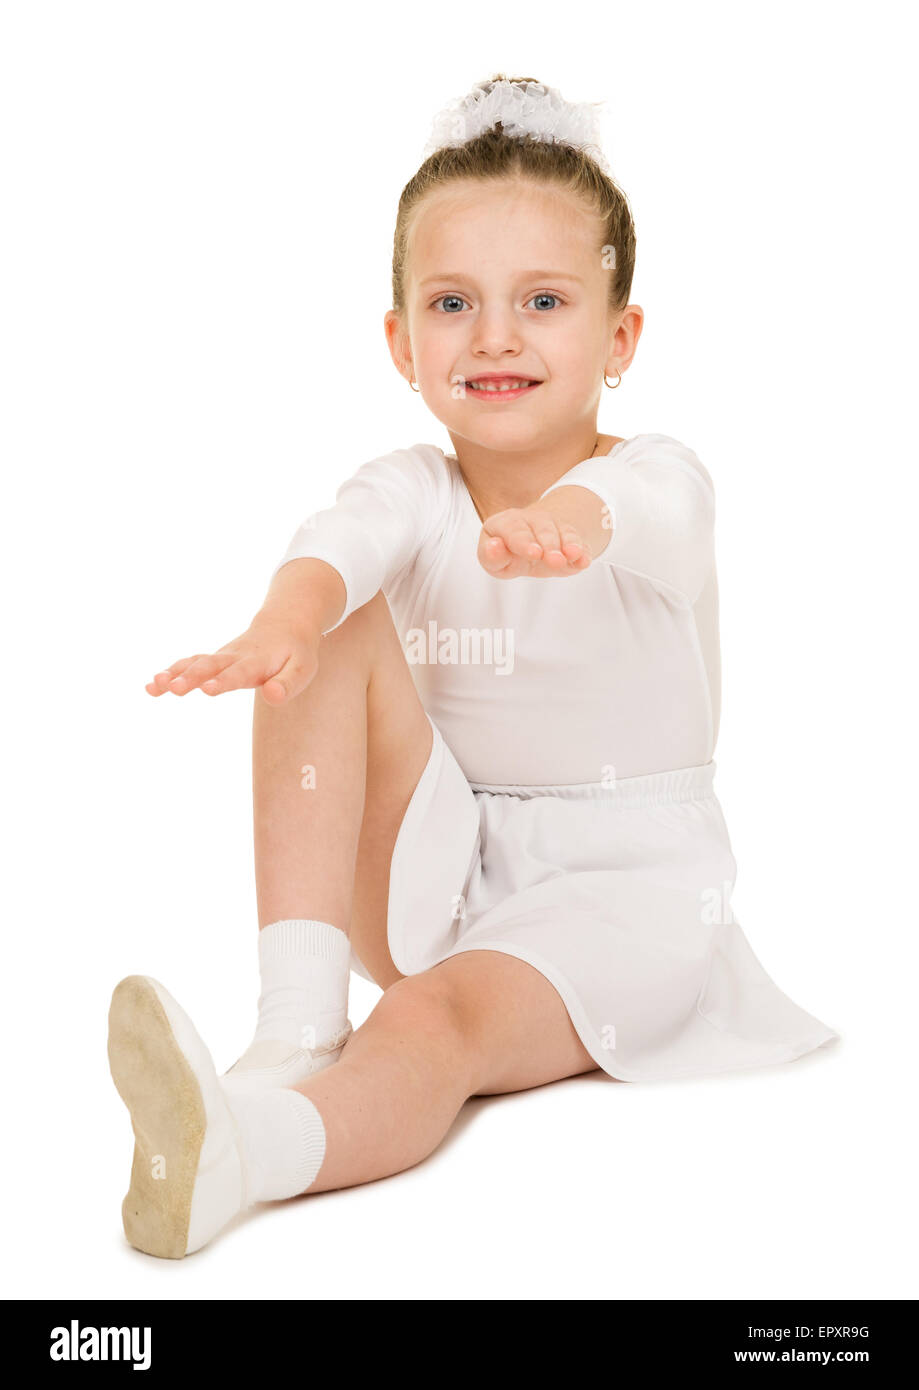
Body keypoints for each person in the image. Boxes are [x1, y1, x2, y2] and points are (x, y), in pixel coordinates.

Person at [108, 73, 839, 1260]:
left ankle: (256, 1150)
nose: (494, 334)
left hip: (623, 892)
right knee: (332, 619)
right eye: (453, 302)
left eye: (542, 299)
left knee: (433, 1019)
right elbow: (334, 542)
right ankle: (293, 1023)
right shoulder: (414, 487)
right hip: (444, 864)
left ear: (619, 336)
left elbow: (648, 511)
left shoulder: (657, 475)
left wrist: (578, 519)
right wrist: (279, 622)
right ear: (402, 344)